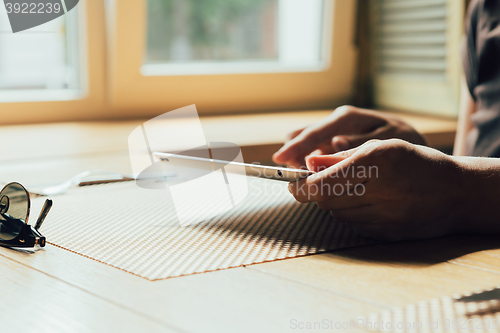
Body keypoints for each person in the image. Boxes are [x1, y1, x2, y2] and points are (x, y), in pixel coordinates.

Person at [272, 0, 500, 241]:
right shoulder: (484, 7)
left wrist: (456, 185)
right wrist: (417, 157)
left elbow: (462, 180)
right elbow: (466, 158)